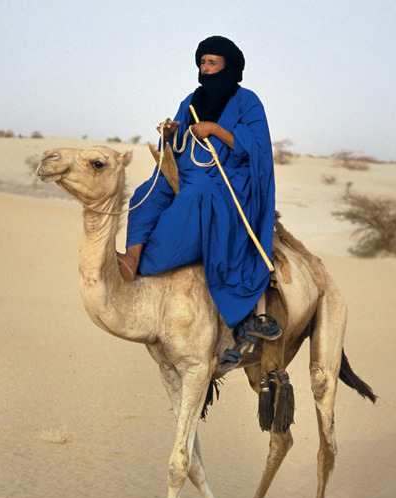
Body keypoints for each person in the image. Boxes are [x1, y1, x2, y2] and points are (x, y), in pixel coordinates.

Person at [117, 36, 281, 369]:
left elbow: (259, 151)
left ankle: (153, 263)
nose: (205, 69)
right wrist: (170, 134)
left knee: (196, 197)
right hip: (188, 172)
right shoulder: (191, 100)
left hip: (229, 183)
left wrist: (216, 130)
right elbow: (178, 146)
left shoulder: (248, 102)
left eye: (212, 63)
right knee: (146, 193)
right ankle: (132, 259)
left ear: (228, 67)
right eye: (202, 63)